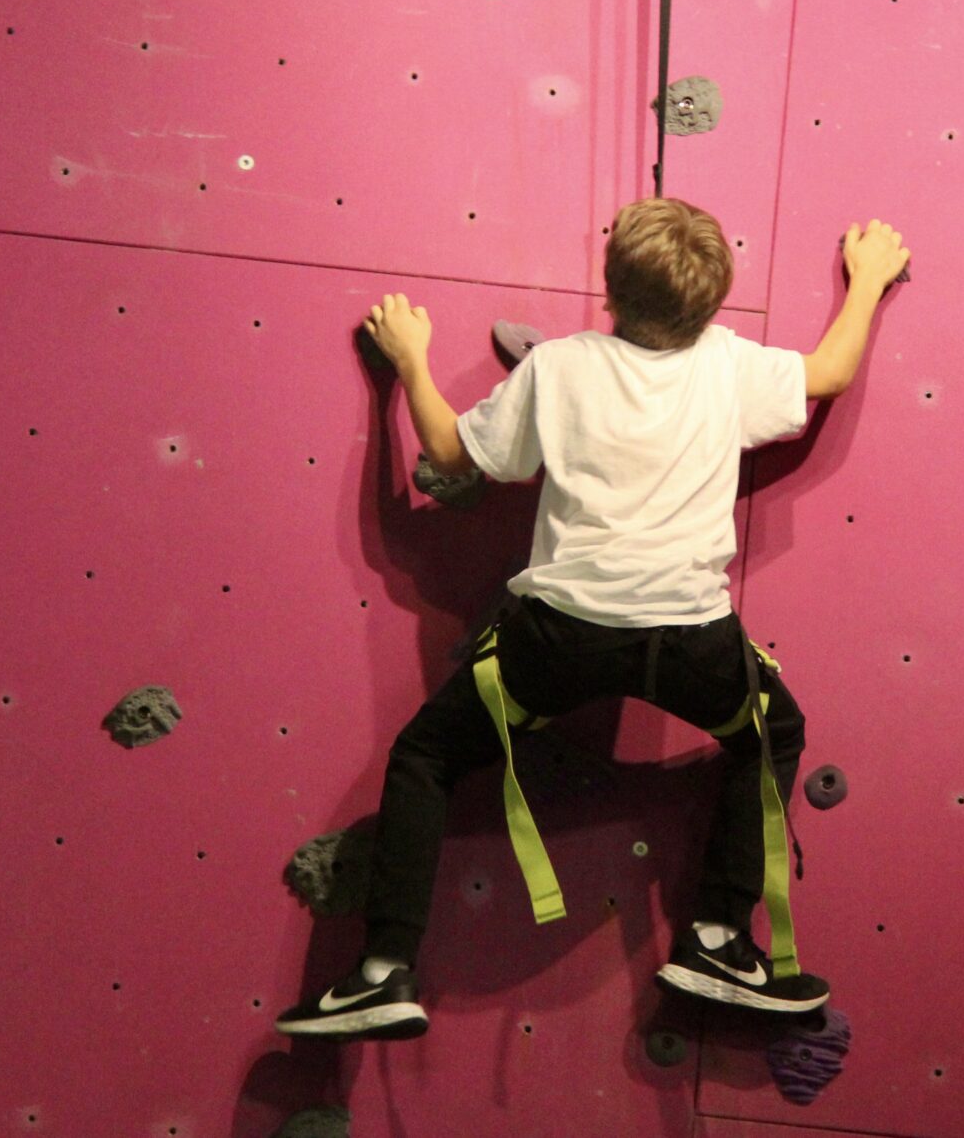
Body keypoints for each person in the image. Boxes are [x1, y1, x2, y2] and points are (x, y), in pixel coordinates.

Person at [276, 199, 911, 1040]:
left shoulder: (561, 366)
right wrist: (867, 280)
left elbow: (453, 453)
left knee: (427, 755)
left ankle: (382, 969)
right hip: (688, 638)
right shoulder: (730, 365)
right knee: (771, 733)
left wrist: (409, 361)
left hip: (561, 634)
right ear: (713, 302)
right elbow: (828, 372)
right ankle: (718, 938)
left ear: (609, 290)